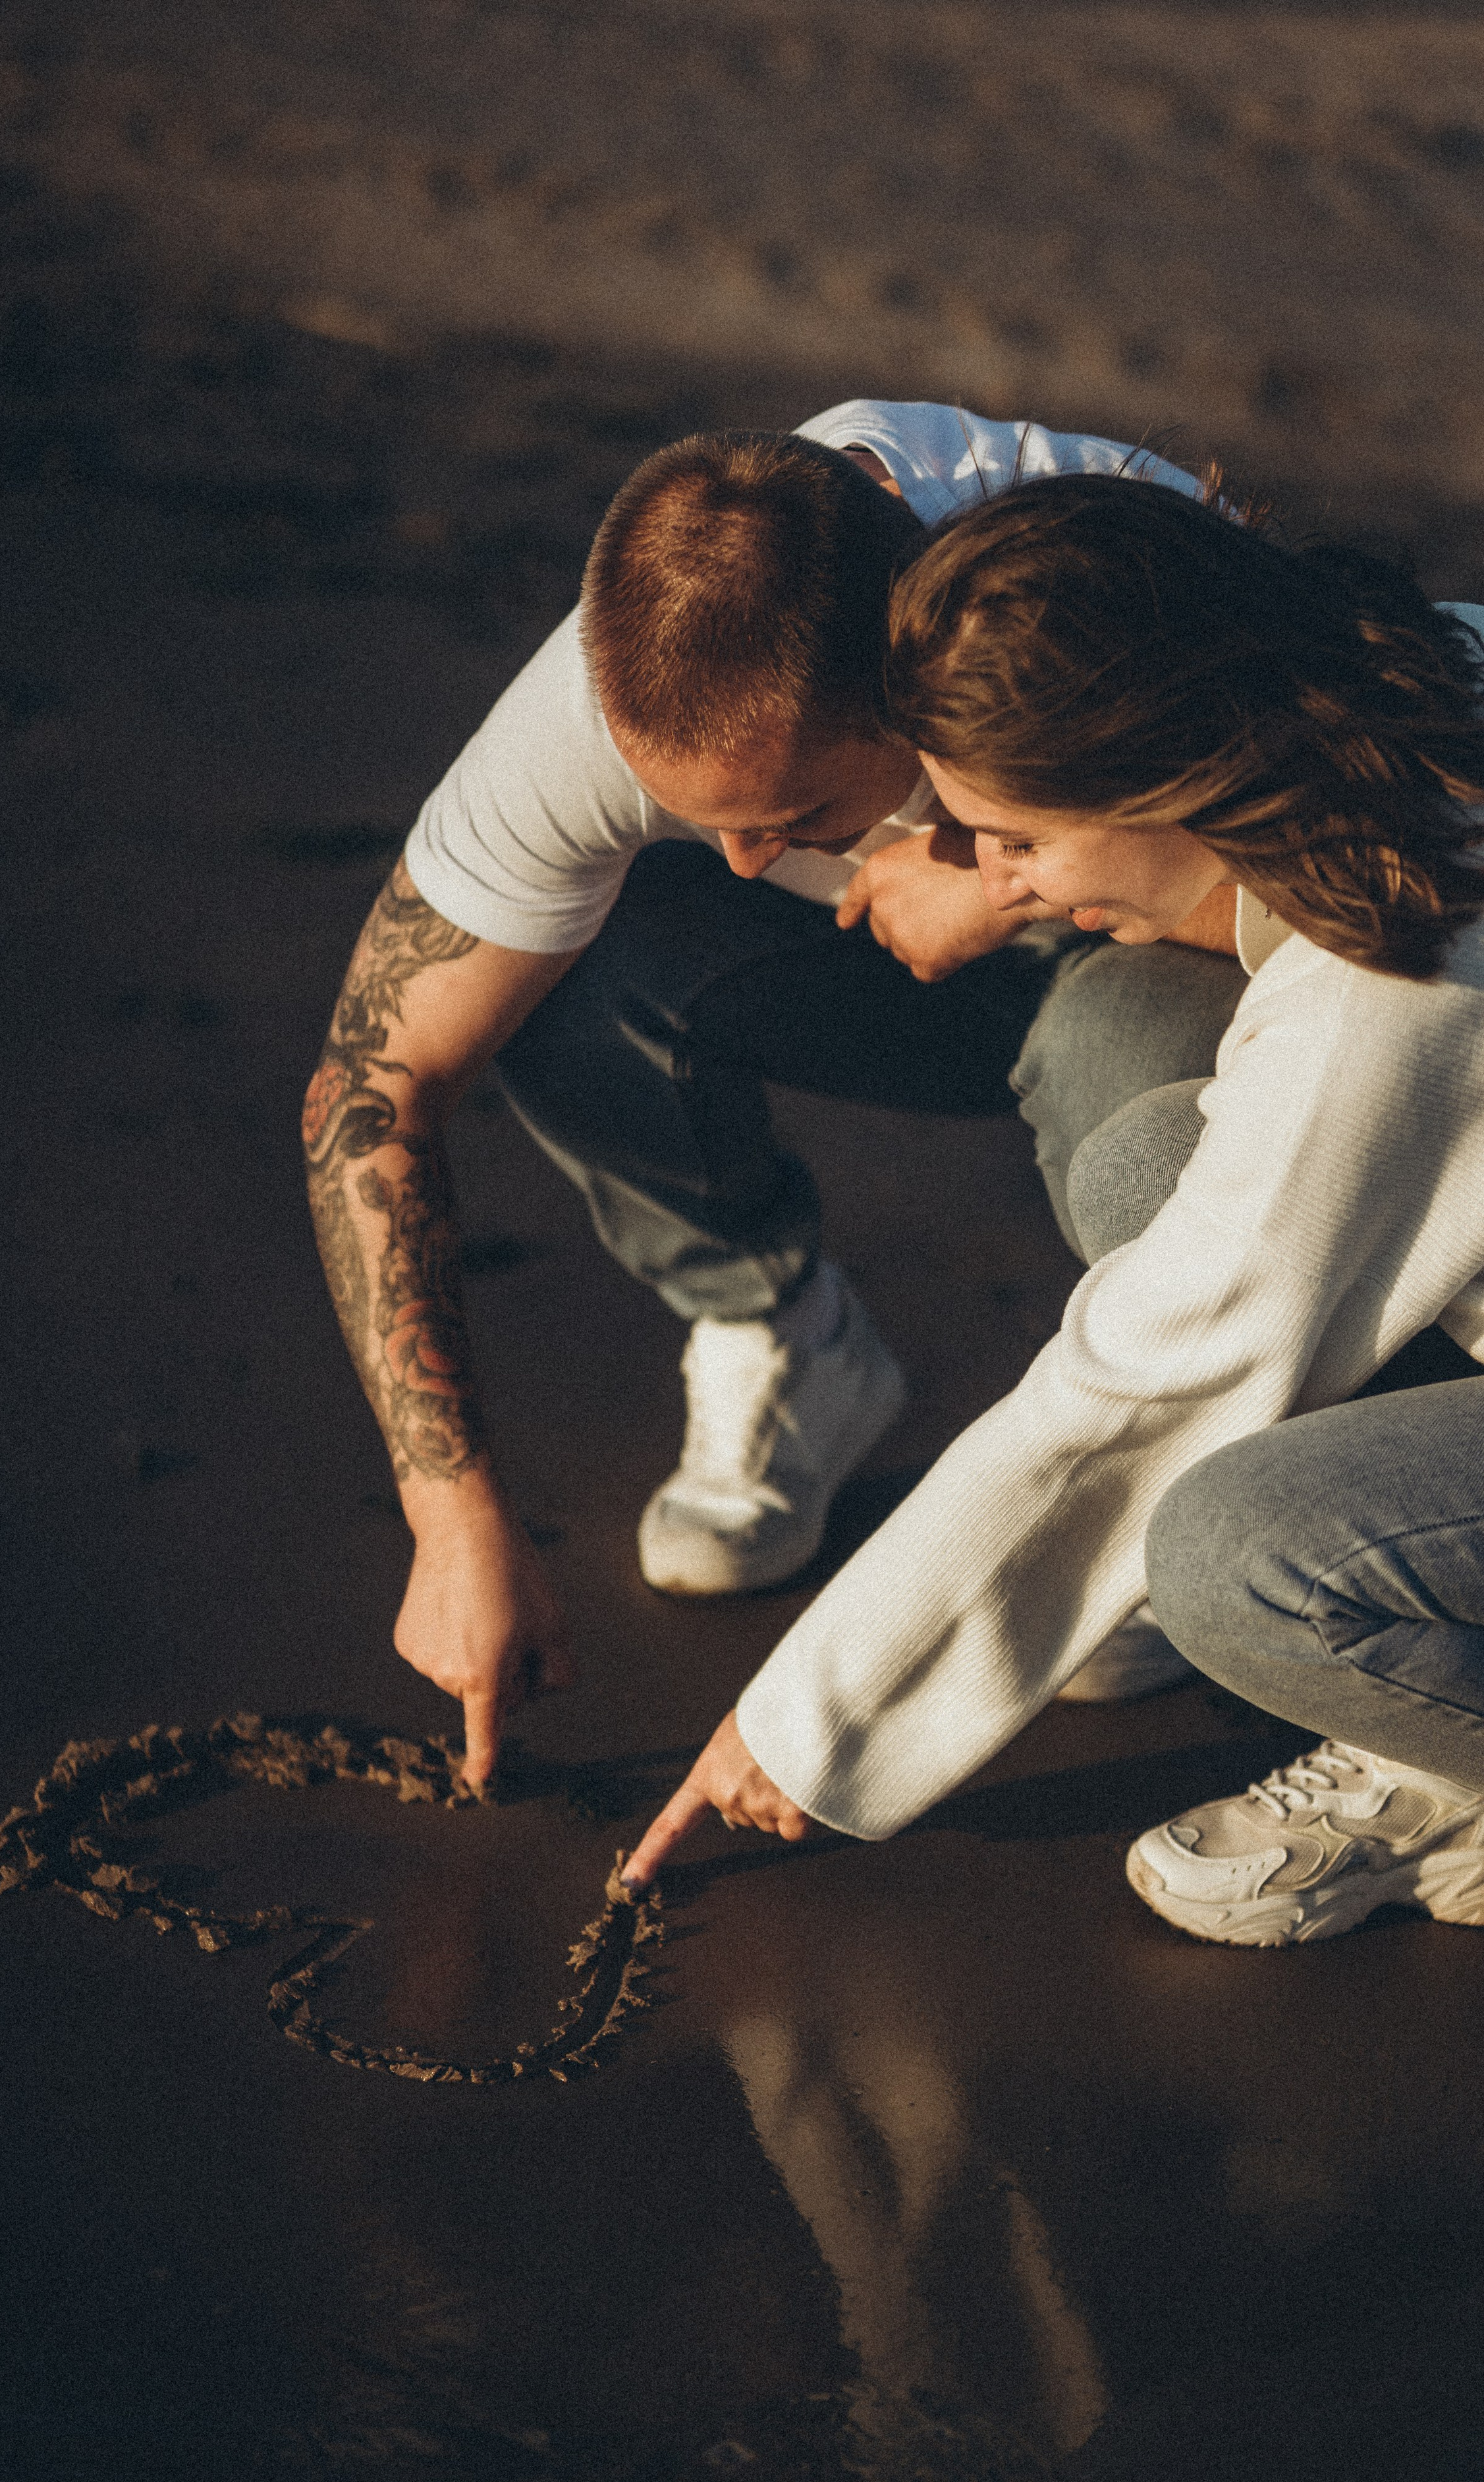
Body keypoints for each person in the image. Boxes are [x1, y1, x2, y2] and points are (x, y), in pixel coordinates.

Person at [304, 403, 1245, 1786]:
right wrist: (452, 1523)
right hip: (893, 956)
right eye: (703, 818)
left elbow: (1359, 924)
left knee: (1131, 1115)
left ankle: (1179, 1463)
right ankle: (785, 1338)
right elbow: (373, 1088)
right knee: (555, 968)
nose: (745, 863)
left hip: (1170, 949)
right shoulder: (609, 707)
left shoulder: (1120, 574)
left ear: (909, 688)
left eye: (795, 816)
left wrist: (1005, 876)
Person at [623, 470, 1484, 1948]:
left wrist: (800, 1725)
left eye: (1015, 842)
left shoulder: (1387, 984)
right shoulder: (1415, 680)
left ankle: (1450, 1781)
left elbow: (1144, 1383)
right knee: (1155, 1170)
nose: (997, 886)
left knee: (1231, 1558)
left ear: (1167, 776)